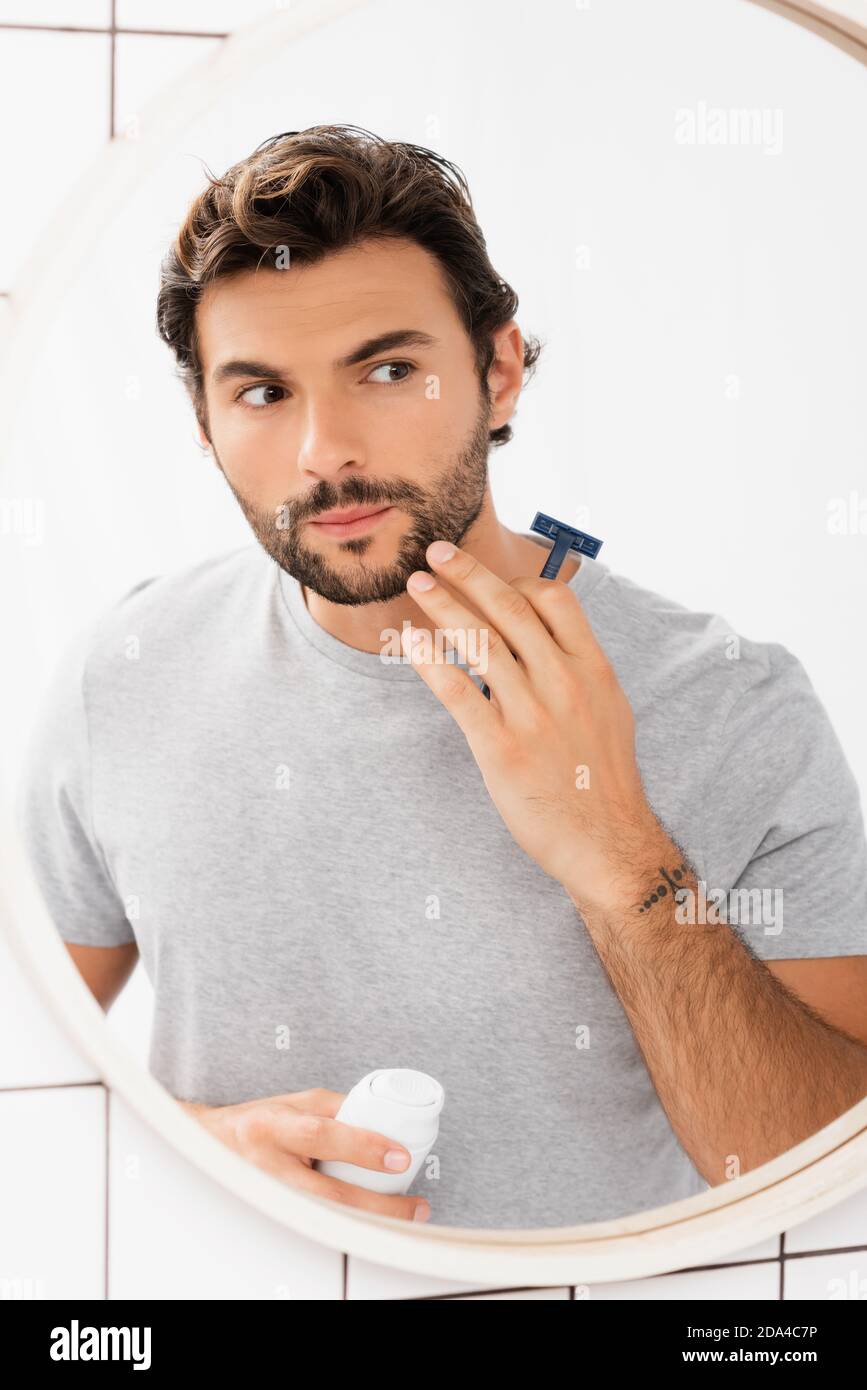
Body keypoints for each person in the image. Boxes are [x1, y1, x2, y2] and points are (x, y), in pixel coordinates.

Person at [15, 125, 867, 1230]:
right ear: (204, 425)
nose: (325, 450)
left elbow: (818, 1177)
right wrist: (202, 1154)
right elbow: (27, 1091)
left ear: (498, 372)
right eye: (264, 393)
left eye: (388, 370)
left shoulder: (732, 703)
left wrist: (620, 854)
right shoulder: (121, 678)